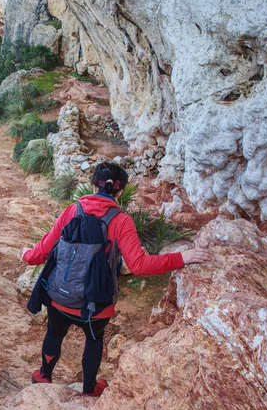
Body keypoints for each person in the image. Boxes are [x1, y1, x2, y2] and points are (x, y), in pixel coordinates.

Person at [21, 162, 212, 396]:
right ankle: (90, 389)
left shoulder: (72, 211)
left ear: (93, 185)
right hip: (96, 306)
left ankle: (44, 376)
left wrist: (26, 255)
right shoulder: (121, 221)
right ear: (119, 192)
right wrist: (182, 256)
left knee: (53, 334)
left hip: (60, 297)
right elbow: (139, 265)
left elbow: (42, 251)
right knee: (94, 341)